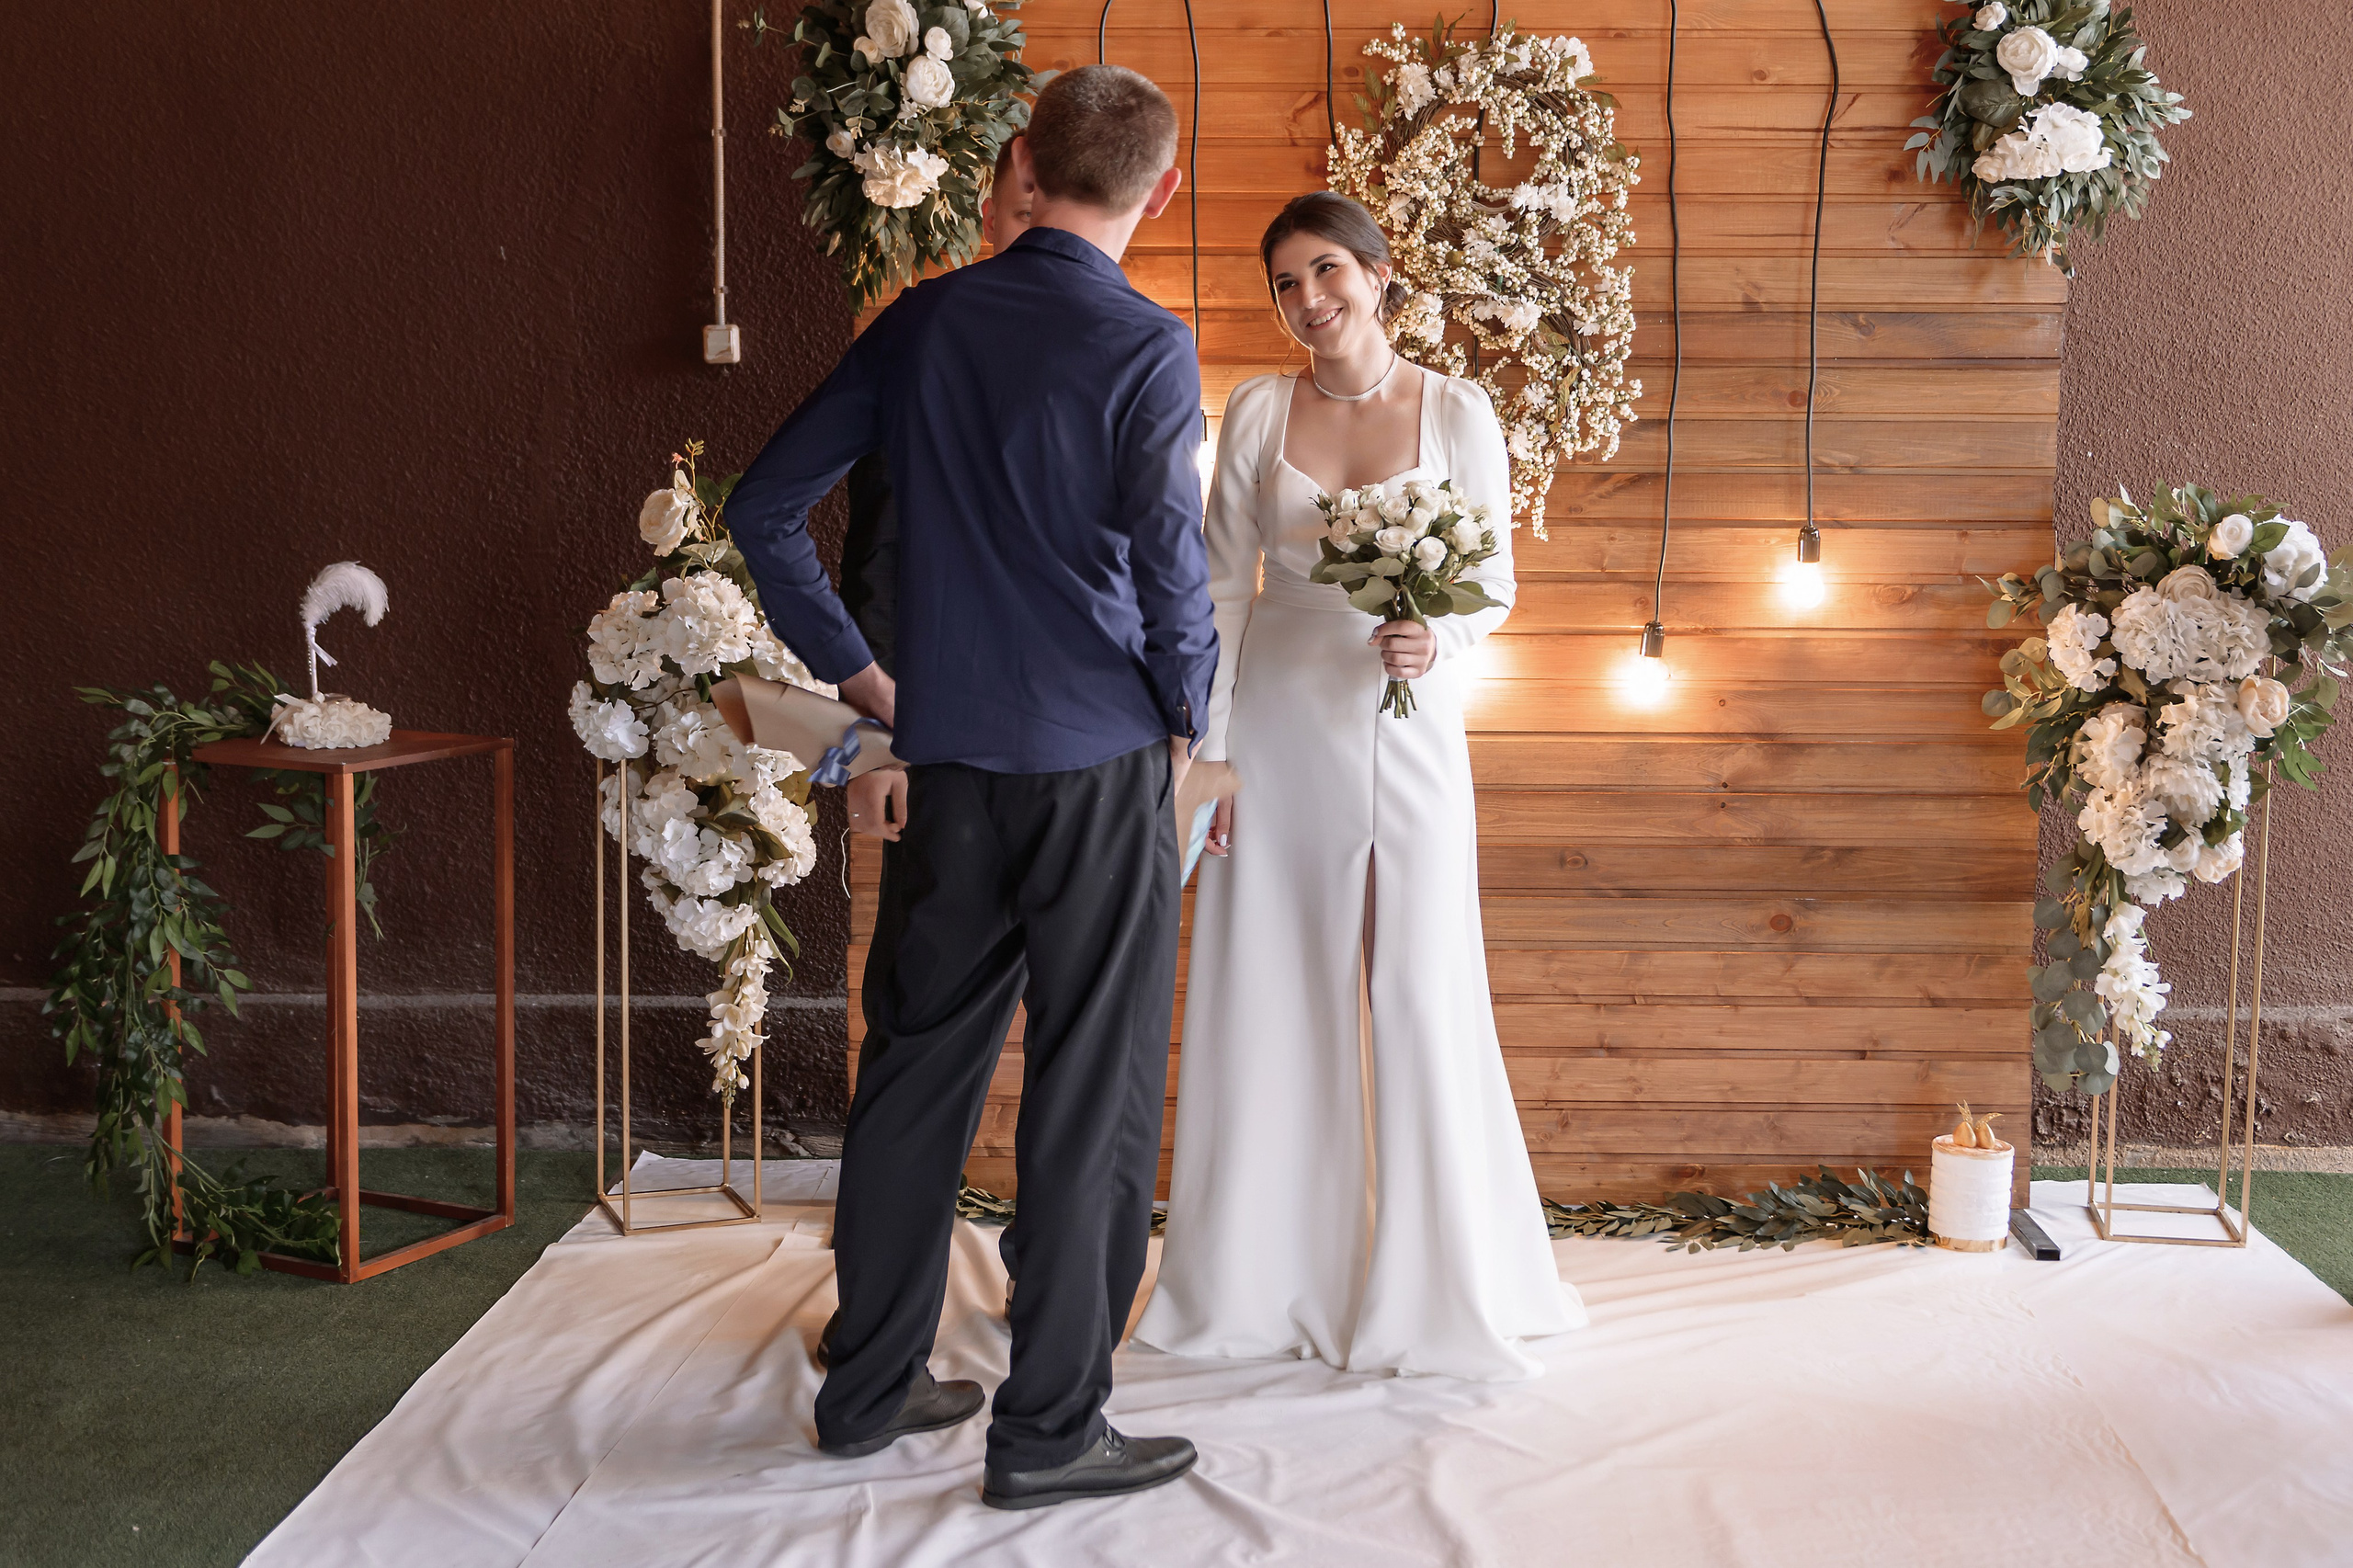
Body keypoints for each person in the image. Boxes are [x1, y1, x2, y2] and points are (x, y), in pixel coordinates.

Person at [724, 65, 1215, 1510]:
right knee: (1095, 1093)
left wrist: (870, 682)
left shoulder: (922, 320)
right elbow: (1174, 573)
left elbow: (763, 511)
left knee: (916, 1073)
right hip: (1101, 762)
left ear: (1018, 160)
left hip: (948, 763)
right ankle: (1052, 1423)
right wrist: (1187, 720)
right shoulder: (1148, 344)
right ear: (1159, 191)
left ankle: (867, 1385)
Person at [1134, 193, 1586, 1381]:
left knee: (1420, 979)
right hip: (1277, 715)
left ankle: (1439, 1283)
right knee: (1270, 979)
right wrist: (1210, 751)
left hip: (1410, 718)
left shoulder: (1457, 408)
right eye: (1285, 285)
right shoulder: (1256, 411)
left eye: (1326, 270)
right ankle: (1261, 1278)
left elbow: (1490, 583)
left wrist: (1440, 640)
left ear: (1380, 274)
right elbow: (1223, 587)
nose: (1309, 301)